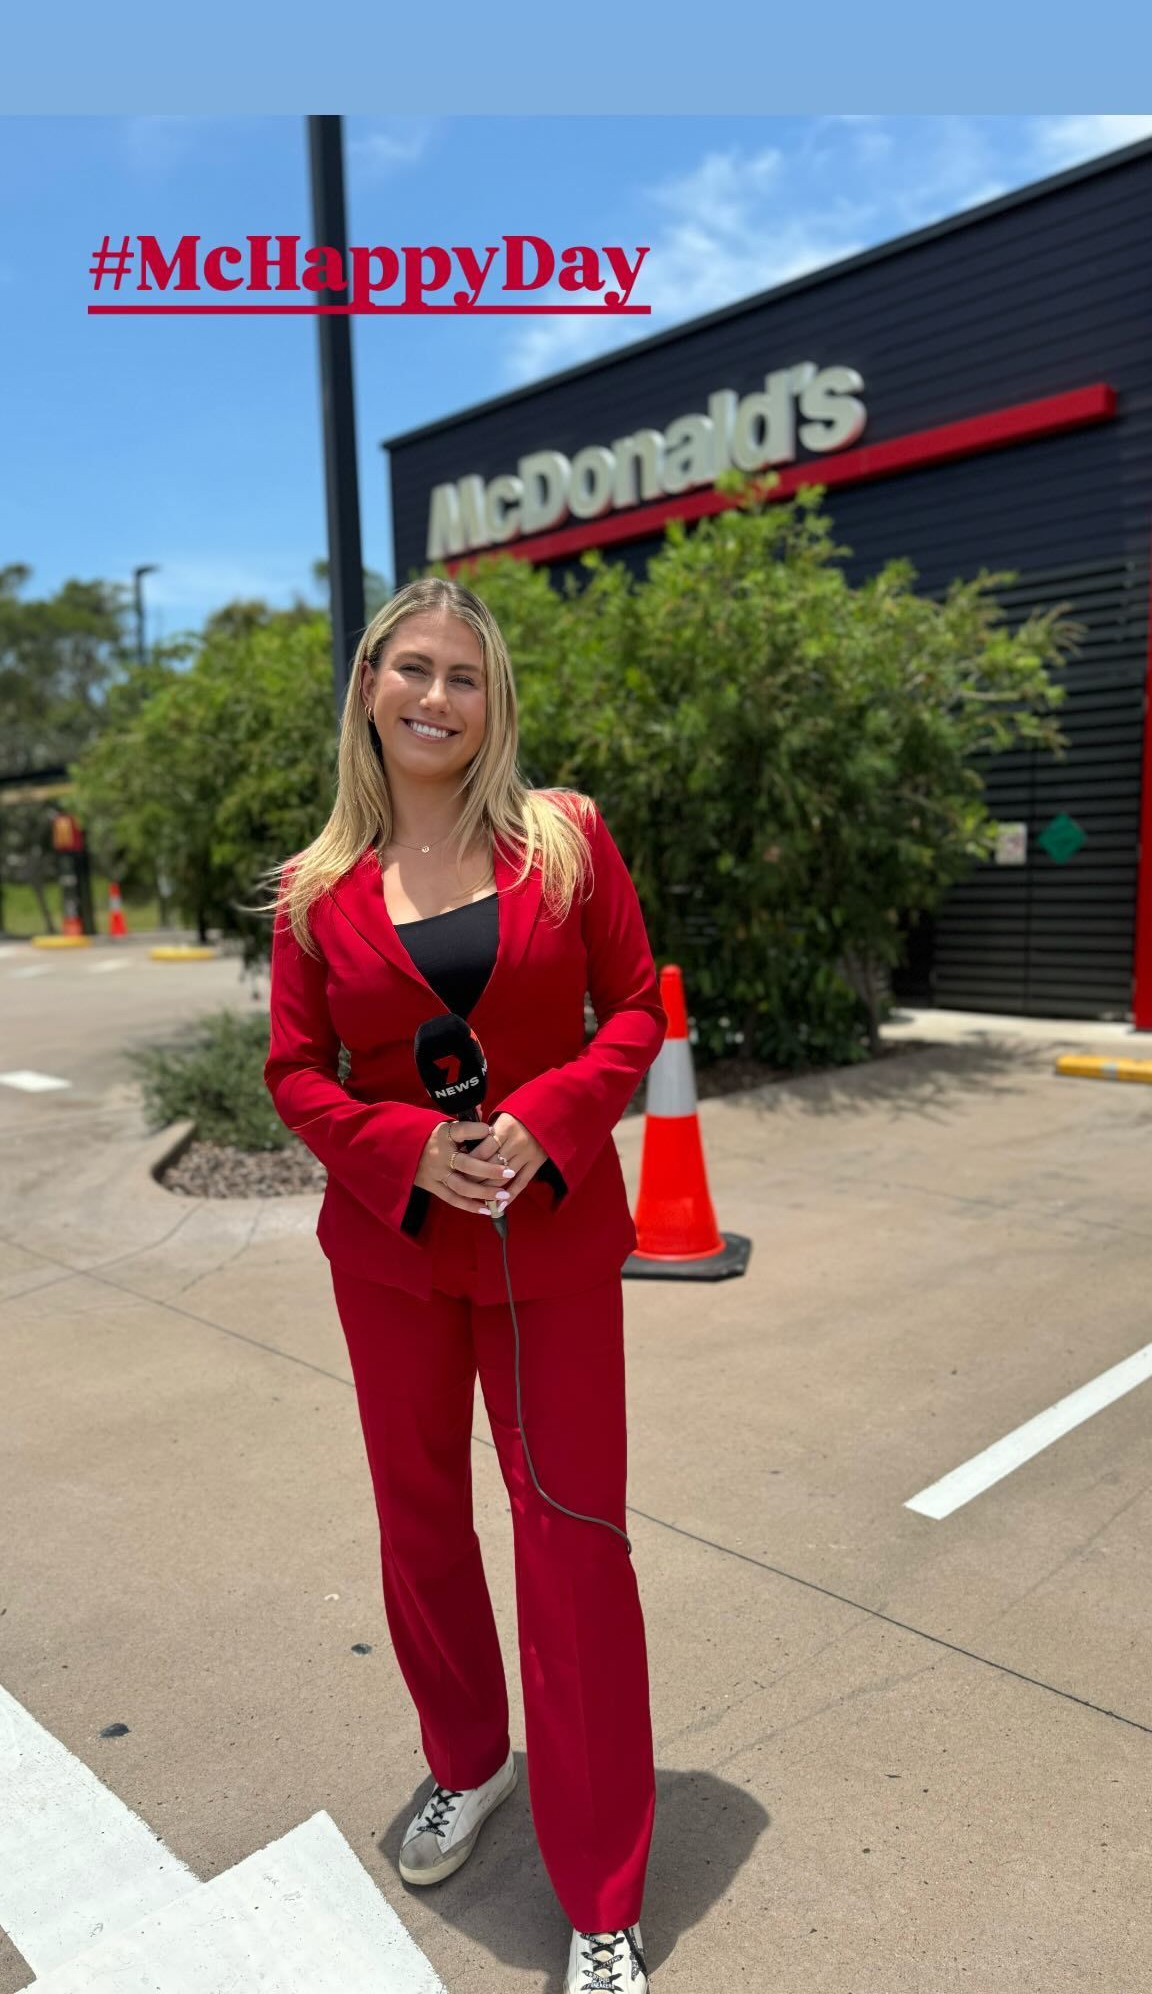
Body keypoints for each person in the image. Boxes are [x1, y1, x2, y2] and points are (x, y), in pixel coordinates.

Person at [257, 575, 667, 1993]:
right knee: (421, 1524)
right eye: (411, 669)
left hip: (550, 1241)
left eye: (464, 676)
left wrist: (548, 1121)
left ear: (493, 703)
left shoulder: (566, 839)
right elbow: (295, 1073)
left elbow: (635, 1008)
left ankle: (603, 1890)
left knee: (573, 1542)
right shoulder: (314, 890)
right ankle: (468, 1758)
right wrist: (408, 1149)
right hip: (392, 1255)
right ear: (369, 686)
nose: (435, 697)